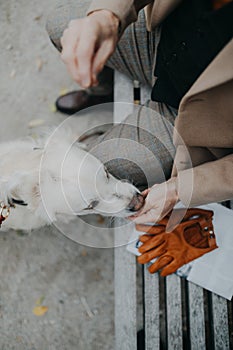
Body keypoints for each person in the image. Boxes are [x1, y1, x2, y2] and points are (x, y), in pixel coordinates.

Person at [46, 0, 233, 224]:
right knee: (61, 26)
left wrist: (179, 188)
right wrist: (107, 16)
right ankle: (102, 87)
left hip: (200, 122)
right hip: (162, 38)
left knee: (94, 170)